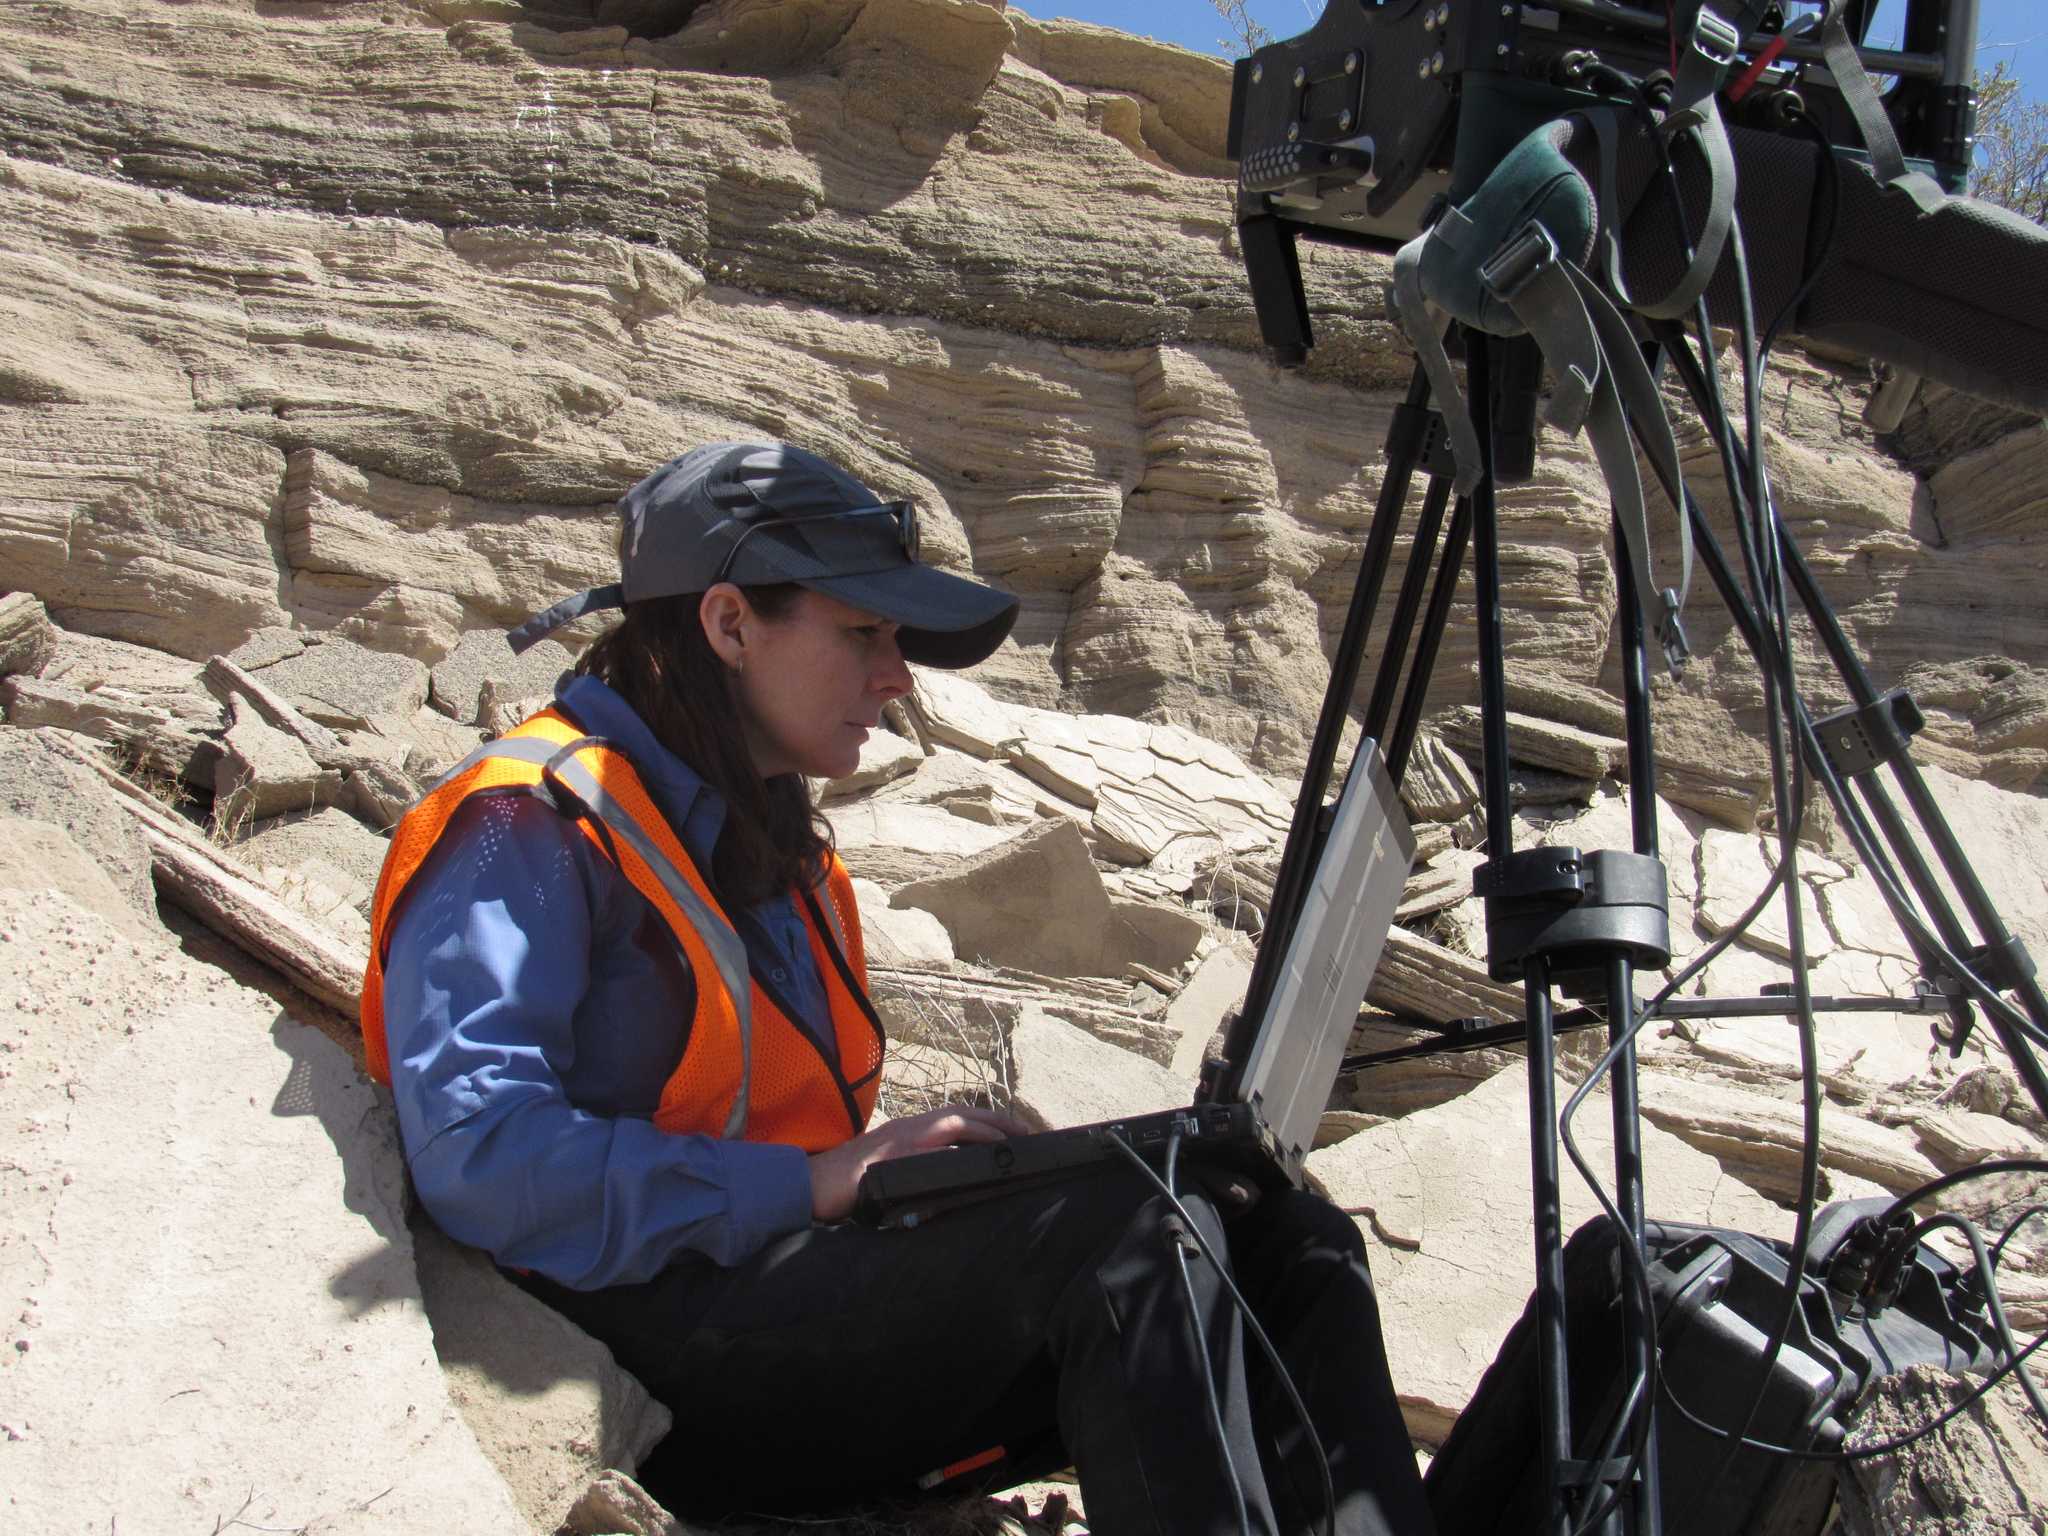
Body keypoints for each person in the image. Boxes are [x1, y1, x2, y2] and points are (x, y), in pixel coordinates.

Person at [360, 441, 1436, 1535]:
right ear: (729, 625)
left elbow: (801, 1135)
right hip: (646, 1358)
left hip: (784, 1293)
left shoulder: (774, 848)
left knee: (1283, 1237)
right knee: (1133, 1237)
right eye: (863, 633)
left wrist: (966, 1185)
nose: (898, 676)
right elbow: (478, 1155)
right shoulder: (526, 820)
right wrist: (820, 1182)